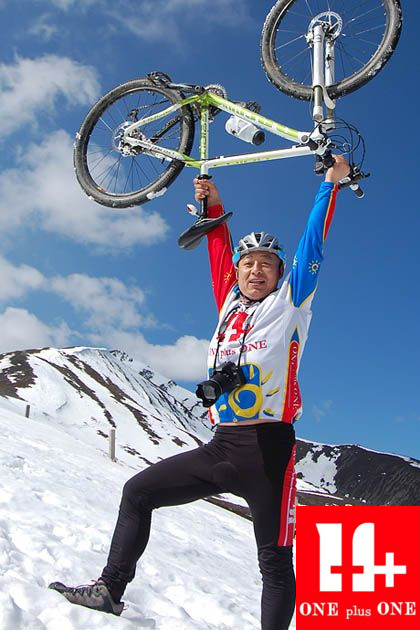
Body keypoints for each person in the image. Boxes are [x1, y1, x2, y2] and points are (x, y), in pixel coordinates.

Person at [49, 155, 350, 629]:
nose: (255, 271)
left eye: (266, 264)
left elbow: (315, 241)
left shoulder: (292, 303)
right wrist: (212, 201)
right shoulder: (228, 304)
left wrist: (330, 183)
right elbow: (217, 246)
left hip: (269, 453)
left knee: (274, 563)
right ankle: (110, 589)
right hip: (221, 446)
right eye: (247, 263)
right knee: (137, 492)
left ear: (280, 273)